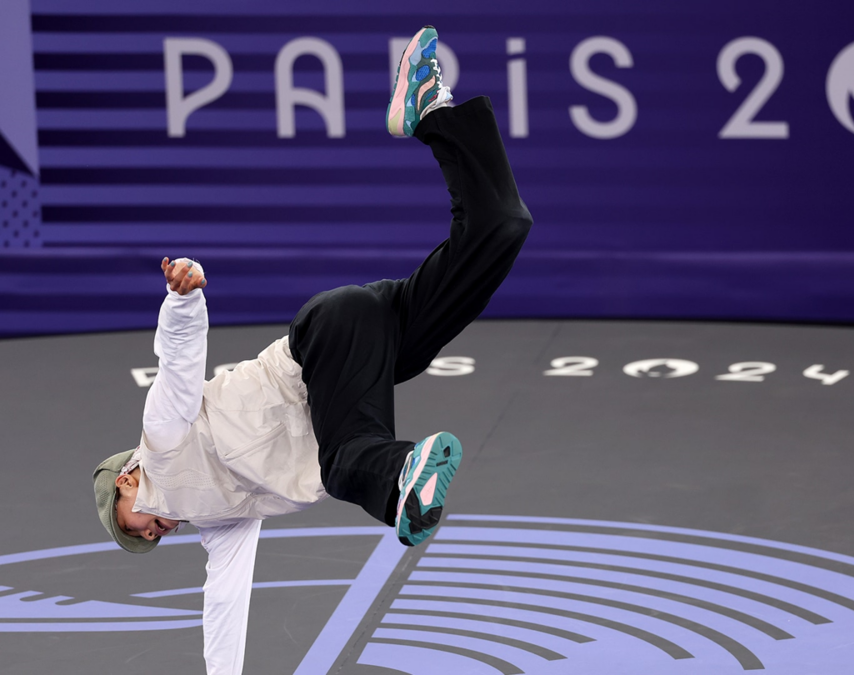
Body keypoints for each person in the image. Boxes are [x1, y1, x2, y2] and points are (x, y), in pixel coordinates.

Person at [90, 26, 531, 674]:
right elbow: (225, 603)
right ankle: (433, 108)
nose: (151, 533)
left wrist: (184, 298)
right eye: (147, 539)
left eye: (133, 524)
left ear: (126, 478)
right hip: (374, 338)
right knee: (500, 229)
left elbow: (179, 365)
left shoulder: (160, 441)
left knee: (347, 459)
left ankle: (402, 477)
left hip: (324, 344)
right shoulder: (223, 520)